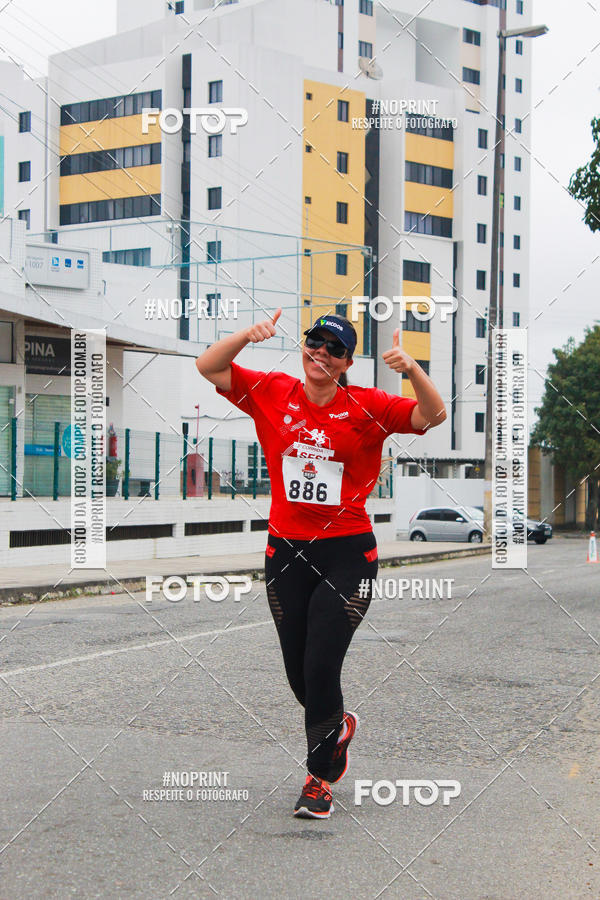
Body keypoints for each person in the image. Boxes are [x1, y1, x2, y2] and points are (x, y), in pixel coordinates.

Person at [195, 308, 446, 818]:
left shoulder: (368, 406)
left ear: (348, 361)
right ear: (303, 347)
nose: (322, 353)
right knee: (299, 674)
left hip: (348, 552)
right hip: (286, 552)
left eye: (335, 349)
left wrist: (413, 370)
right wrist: (248, 333)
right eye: (315, 342)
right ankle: (339, 727)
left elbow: (433, 416)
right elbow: (208, 366)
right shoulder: (271, 391)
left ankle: (319, 779)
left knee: (321, 663)